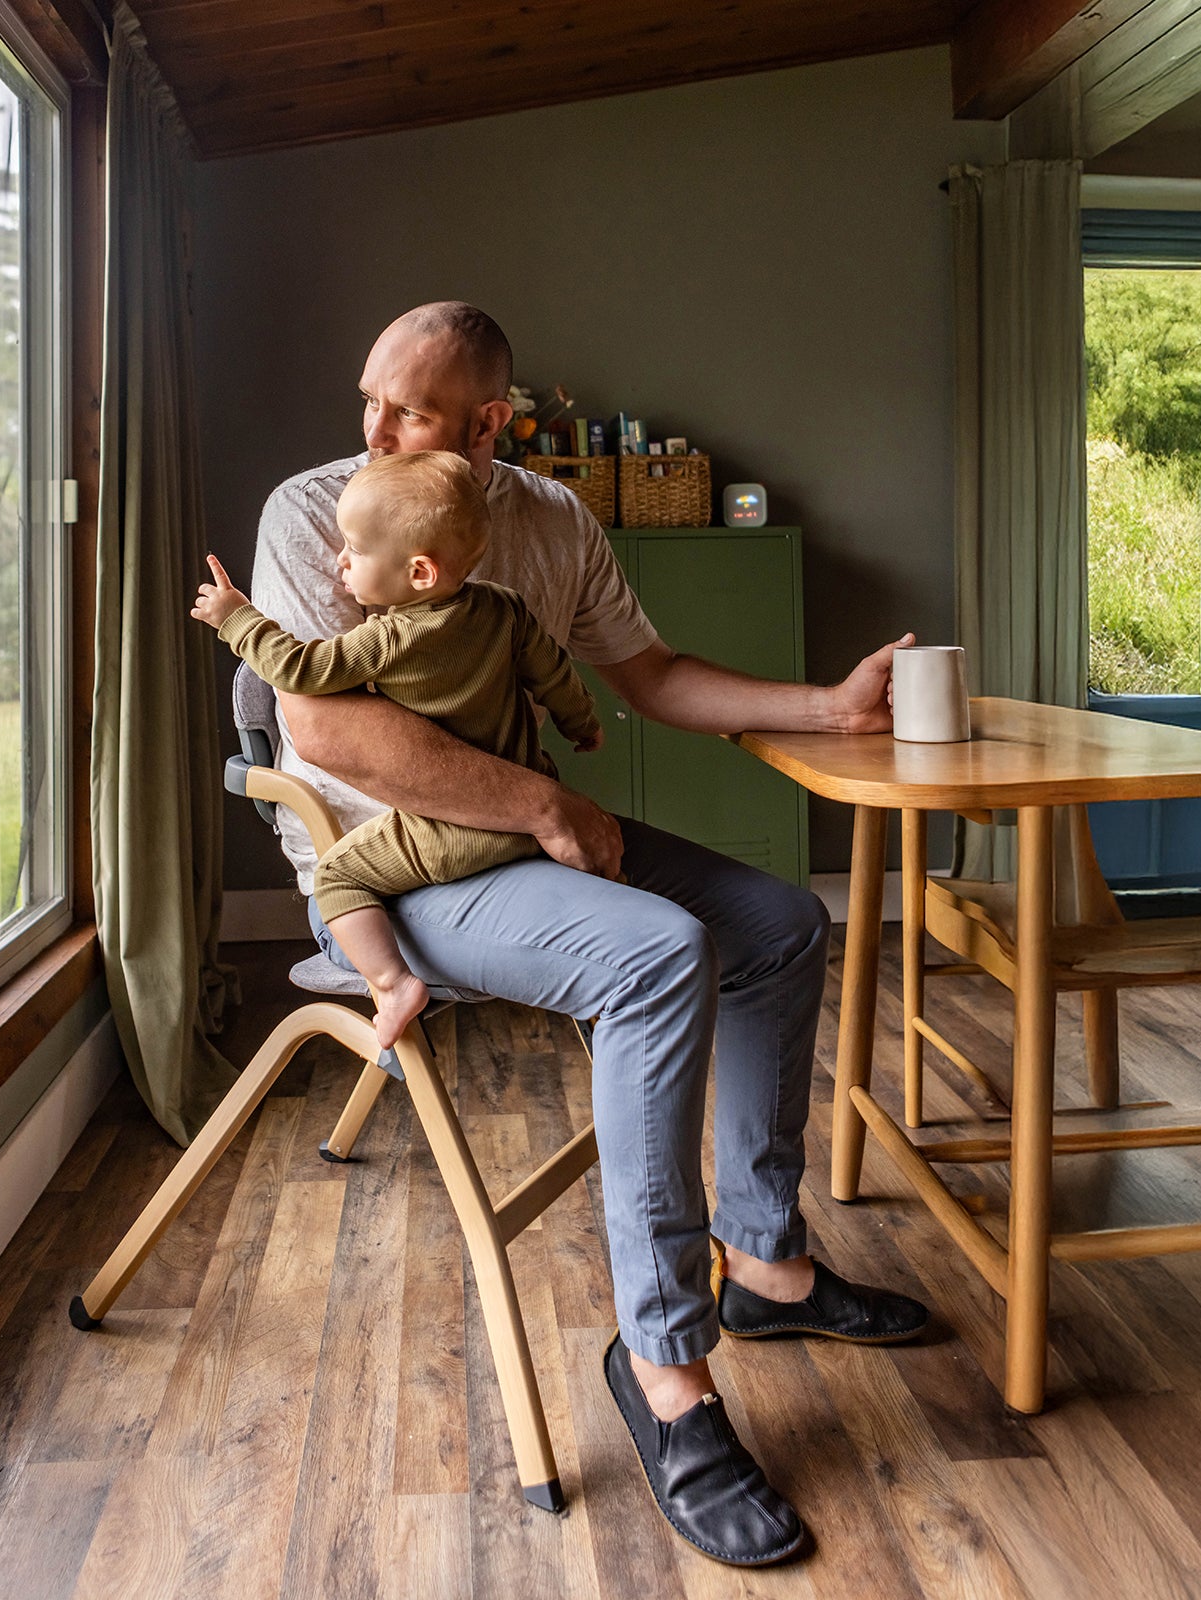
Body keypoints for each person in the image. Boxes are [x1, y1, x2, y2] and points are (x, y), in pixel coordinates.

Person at [250, 300, 926, 1567]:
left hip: (526, 836)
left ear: (491, 424)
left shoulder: (552, 520)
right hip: (387, 872)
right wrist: (543, 800)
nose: (373, 427)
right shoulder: (317, 512)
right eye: (368, 398)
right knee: (659, 955)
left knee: (781, 921)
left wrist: (829, 710)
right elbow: (330, 733)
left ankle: (768, 1269)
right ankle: (666, 1371)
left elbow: (649, 675)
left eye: (407, 407)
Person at [196, 450, 603, 1050]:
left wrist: (237, 620)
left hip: (453, 830)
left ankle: (392, 986)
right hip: (533, 812)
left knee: (338, 877)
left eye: (355, 551)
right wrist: (582, 723)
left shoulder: (389, 640)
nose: (340, 560)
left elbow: (300, 669)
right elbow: (556, 675)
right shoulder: (504, 608)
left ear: (418, 574)